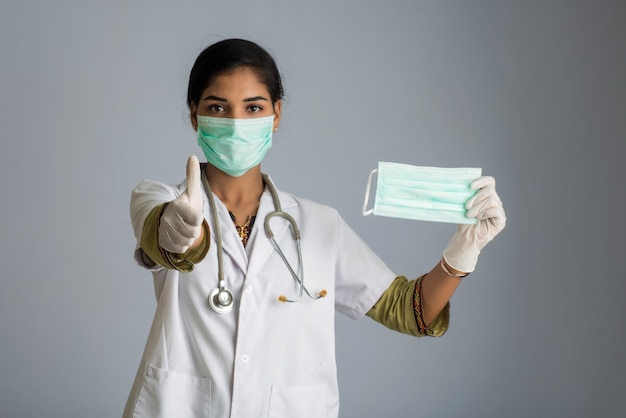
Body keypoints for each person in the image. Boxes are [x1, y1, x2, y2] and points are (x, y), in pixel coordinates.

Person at [123, 38, 506, 418]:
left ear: (276, 114)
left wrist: (462, 253)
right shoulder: (157, 199)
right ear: (194, 114)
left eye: (253, 107)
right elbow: (169, 241)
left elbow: (411, 310)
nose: (236, 123)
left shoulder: (320, 225)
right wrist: (185, 234)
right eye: (217, 107)